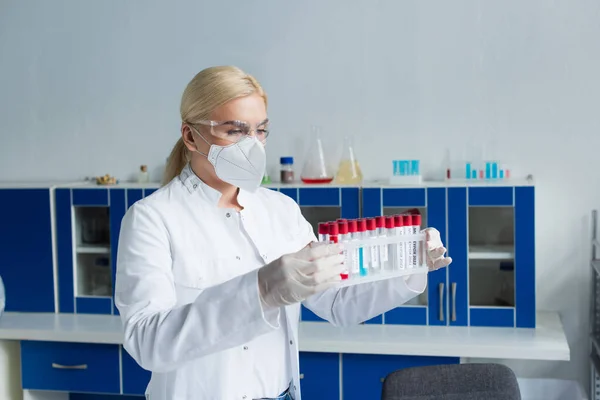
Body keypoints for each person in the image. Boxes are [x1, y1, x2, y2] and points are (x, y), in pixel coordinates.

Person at [115, 65, 452, 400]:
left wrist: (408, 263)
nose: (252, 144)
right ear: (190, 136)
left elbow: (337, 302)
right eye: (234, 131)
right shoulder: (153, 218)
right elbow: (147, 342)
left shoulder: (280, 210)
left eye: (260, 130)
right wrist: (260, 290)